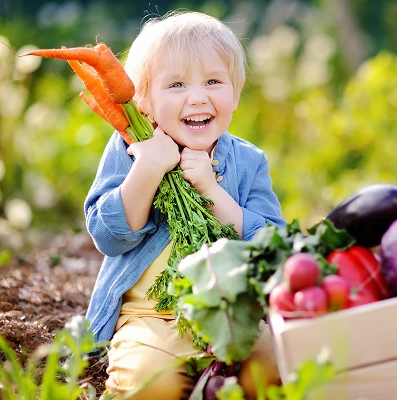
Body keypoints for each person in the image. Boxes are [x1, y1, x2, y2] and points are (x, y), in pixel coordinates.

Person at [83, 10, 285, 400]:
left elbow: (272, 246)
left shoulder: (248, 160)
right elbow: (109, 236)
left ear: (235, 93)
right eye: (176, 84)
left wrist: (214, 193)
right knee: (149, 382)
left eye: (213, 81)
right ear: (144, 102)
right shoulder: (130, 149)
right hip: (151, 319)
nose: (198, 97)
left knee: (279, 360)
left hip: (233, 316)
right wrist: (148, 168)